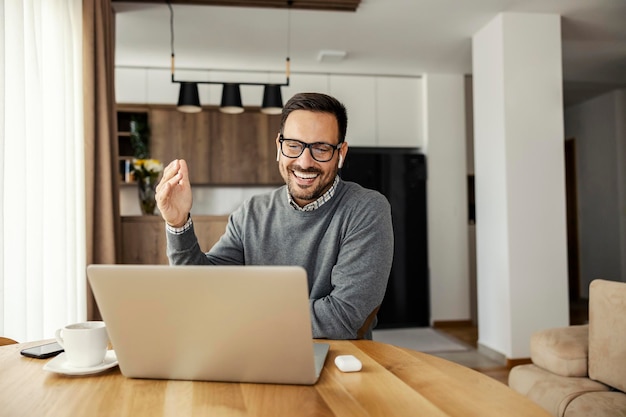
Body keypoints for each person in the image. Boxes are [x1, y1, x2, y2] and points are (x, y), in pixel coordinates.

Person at [155, 92, 394, 340]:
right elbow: (204, 289)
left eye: (321, 148)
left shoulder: (366, 209)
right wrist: (178, 223)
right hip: (256, 354)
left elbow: (343, 318)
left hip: (337, 362)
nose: (304, 161)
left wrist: (241, 313)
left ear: (341, 153)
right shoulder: (251, 213)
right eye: (293, 145)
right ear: (279, 146)